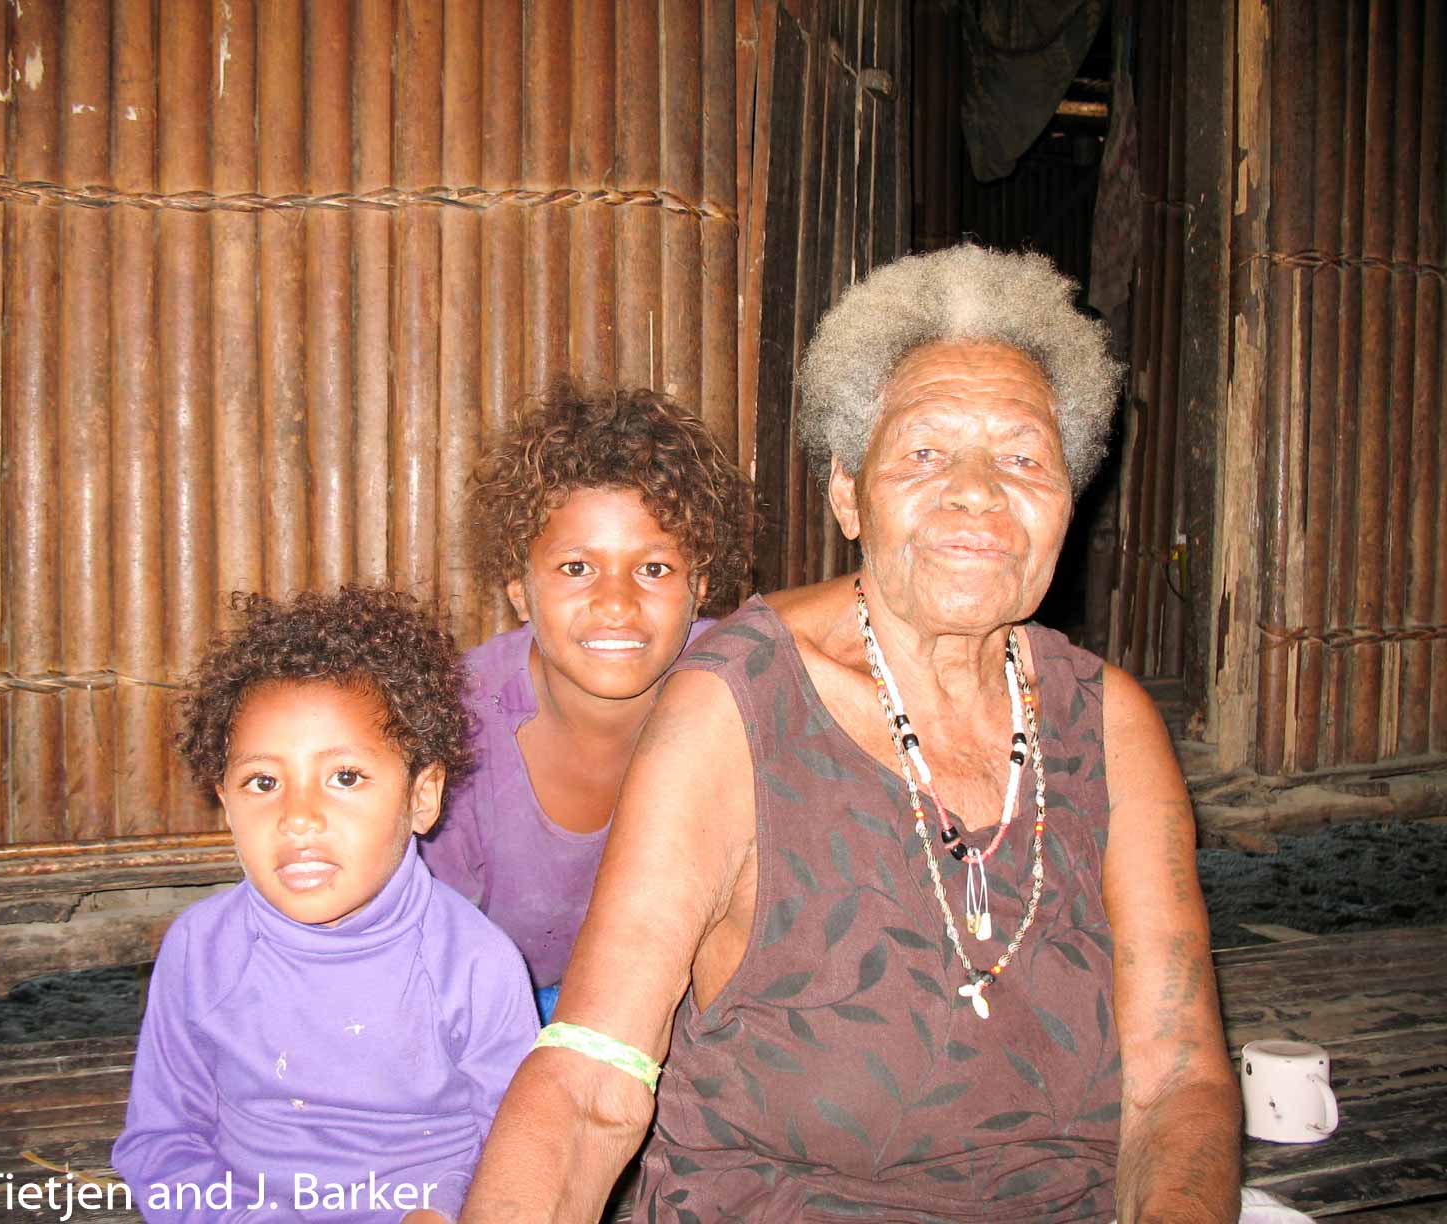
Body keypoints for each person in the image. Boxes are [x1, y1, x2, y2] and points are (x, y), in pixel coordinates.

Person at [460, 245, 1249, 1222]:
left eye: (1022, 457)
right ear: (848, 491)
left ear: (1067, 504)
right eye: (924, 453)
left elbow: (1178, 1084)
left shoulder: (1112, 724)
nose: (977, 491)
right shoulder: (737, 706)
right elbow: (591, 1079)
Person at [112, 587, 537, 1223]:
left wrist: (446, 1208)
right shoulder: (201, 950)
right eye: (263, 782)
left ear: (421, 798)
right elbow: (160, 1142)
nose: (299, 817)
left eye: (344, 777)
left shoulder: (474, 963)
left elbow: (520, 1142)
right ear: (225, 804)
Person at [420, 383, 753, 1020]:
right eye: (576, 568)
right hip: (497, 1012)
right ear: (519, 591)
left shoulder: (740, 689)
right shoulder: (458, 726)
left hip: (677, 1004)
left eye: (654, 569)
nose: (617, 604)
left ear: (699, 589)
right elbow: (429, 967)